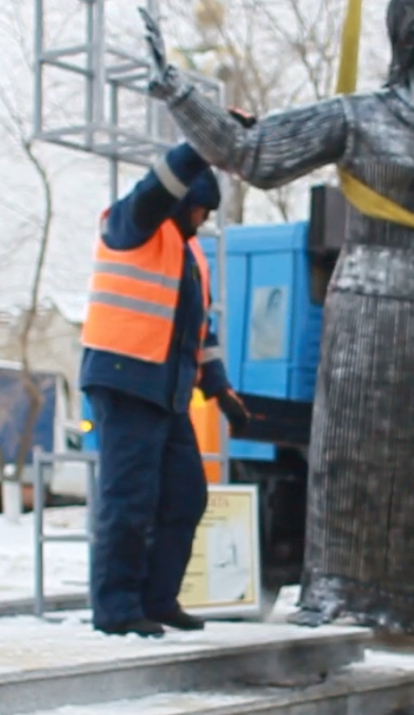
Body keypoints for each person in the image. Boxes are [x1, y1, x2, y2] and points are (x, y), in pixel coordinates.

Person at [139, 0, 414, 661]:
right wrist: (174, 86)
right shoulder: (356, 116)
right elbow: (252, 152)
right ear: (412, 29)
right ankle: (330, 591)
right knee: (347, 458)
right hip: (357, 314)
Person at [80, 141, 251, 638]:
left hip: (168, 392)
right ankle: (117, 609)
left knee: (186, 497)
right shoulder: (133, 224)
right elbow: (159, 186)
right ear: (180, 202)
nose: (201, 217)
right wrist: (203, 148)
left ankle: (158, 599)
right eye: (198, 207)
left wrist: (221, 393)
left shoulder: (192, 255)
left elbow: (200, 334)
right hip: (125, 380)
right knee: (129, 500)